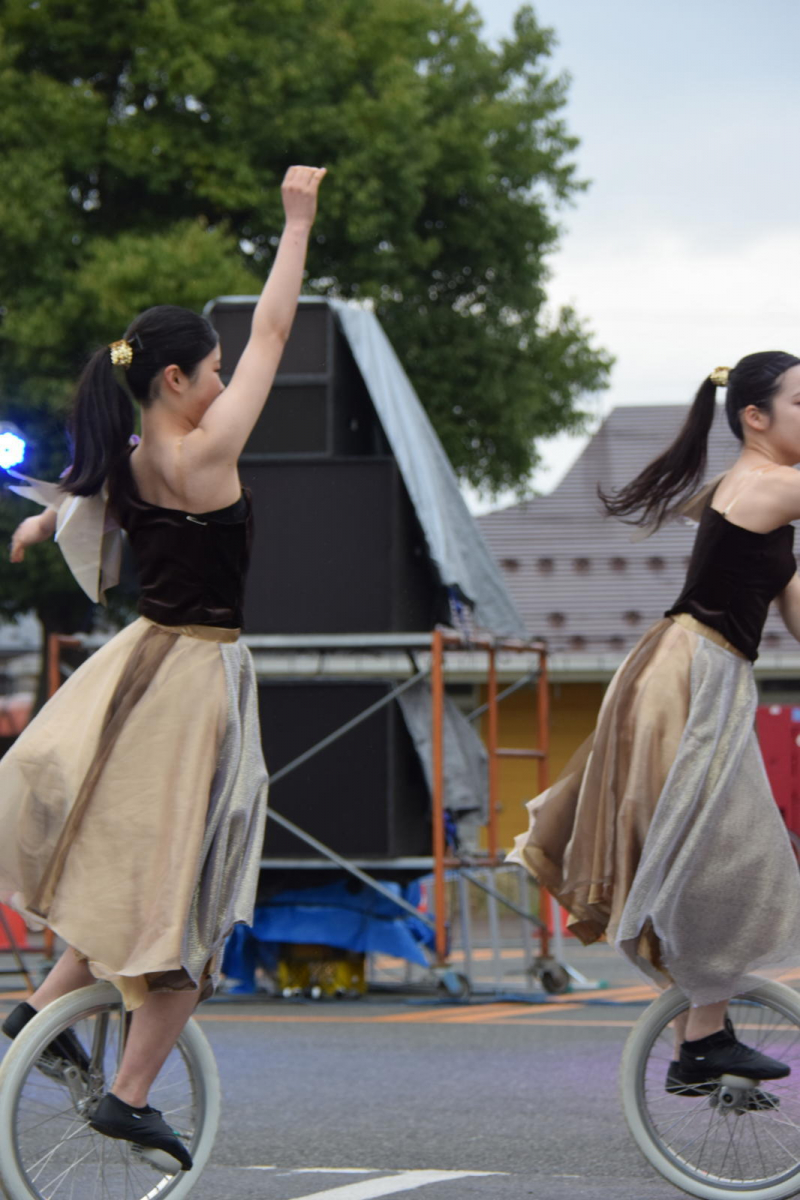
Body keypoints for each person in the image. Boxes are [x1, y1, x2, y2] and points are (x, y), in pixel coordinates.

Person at [1, 164, 326, 1168]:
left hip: (134, 668)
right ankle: (130, 1091)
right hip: (197, 682)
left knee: (126, 862)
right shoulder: (204, 452)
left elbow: (90, 506)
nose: (227, 382)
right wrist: (294, 222)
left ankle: (40, 1008)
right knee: (192, 906)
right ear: (175, 381)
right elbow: (275, 331)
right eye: (212, 371)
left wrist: (46, 520)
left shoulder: (132, 457)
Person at [508, 351, 800, 1096]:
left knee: (697, 854)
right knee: (732, 856)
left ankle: (700, 1044)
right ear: (754, 418)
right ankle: (702, 1041)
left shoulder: (768, 507)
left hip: (700, 675)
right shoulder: (765, 485)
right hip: (686, 679)